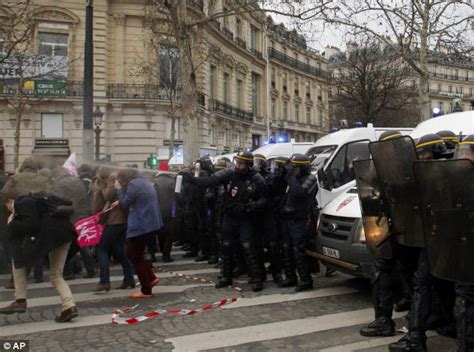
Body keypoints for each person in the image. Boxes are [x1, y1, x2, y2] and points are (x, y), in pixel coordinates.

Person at [389, 134, 453, 352]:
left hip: (438, 238)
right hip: (440, 238)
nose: (420, 158)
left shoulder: (439, 173)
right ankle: (449, 323)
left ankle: (416, 339)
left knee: (423, 284)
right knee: (442, 284)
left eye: (424, 153)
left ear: (434, 151)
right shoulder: (448, 170)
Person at [359, 132, 419, 338]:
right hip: (410, 228)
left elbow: (369, 180)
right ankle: (417, 315)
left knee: (383, 270)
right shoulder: (411, 160)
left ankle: (384, 320)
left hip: (398, 226)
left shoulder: (387, 164)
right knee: (410, 271)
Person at [183, 151, 266, 292]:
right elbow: (209, 181)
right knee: (226, 246)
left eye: (241, 163)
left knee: (247, 247)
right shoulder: (229, 174)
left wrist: (255, 205)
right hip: (230, 216)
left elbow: (265, 198)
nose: (238, 165)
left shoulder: (257, 178)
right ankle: (225, 277)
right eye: (237, 162)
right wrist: (191, 179)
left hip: (246, 217)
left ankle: (256, 279)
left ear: (248, 165)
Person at [0, 192, 78, 322]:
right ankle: (69, 306)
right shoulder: (36, 199)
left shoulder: (20, 203)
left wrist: (12, 223)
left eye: (6, 207)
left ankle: (20, 300)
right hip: (65, 234)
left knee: (18, 262)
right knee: (56, 274)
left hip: (50, 237)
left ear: (8, 201)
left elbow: (32, 225)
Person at [112, 168, 163, 298]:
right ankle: (150, 278)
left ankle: (146, 290)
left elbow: (125, 203)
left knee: (135, 255)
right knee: (135, 254)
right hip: (150, 223)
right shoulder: (142, 181)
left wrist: (119, 189)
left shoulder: (134, 184)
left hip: (141, 224)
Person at [277, 154, 318, 292]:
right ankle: (290, 277)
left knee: (298, 250)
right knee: (286, 248)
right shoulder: (293, 179)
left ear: (302, 167)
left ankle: (306, 280)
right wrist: (282, 173)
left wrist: (290, 176)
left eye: (295, 167)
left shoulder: (310, 179)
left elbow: (299, 193)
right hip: (288, 218)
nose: (292, 170)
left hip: (301, 219)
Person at [92, 166, 134, 292]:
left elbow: (108, 195)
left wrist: (102, 186)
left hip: (114, 220)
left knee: (102, 249)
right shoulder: (115, 178)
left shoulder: (112, 179)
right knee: (120, 250)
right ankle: (128, 278)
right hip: (120, 220)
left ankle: (104, 281)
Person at [51, 167, 96, 280]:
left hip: (69, 217)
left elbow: (57, 201)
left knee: (65, 245)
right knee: (83, 243)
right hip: (82, 215)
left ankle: (68, 273)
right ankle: (91, 269)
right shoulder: (77, 181)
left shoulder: (59, 184)